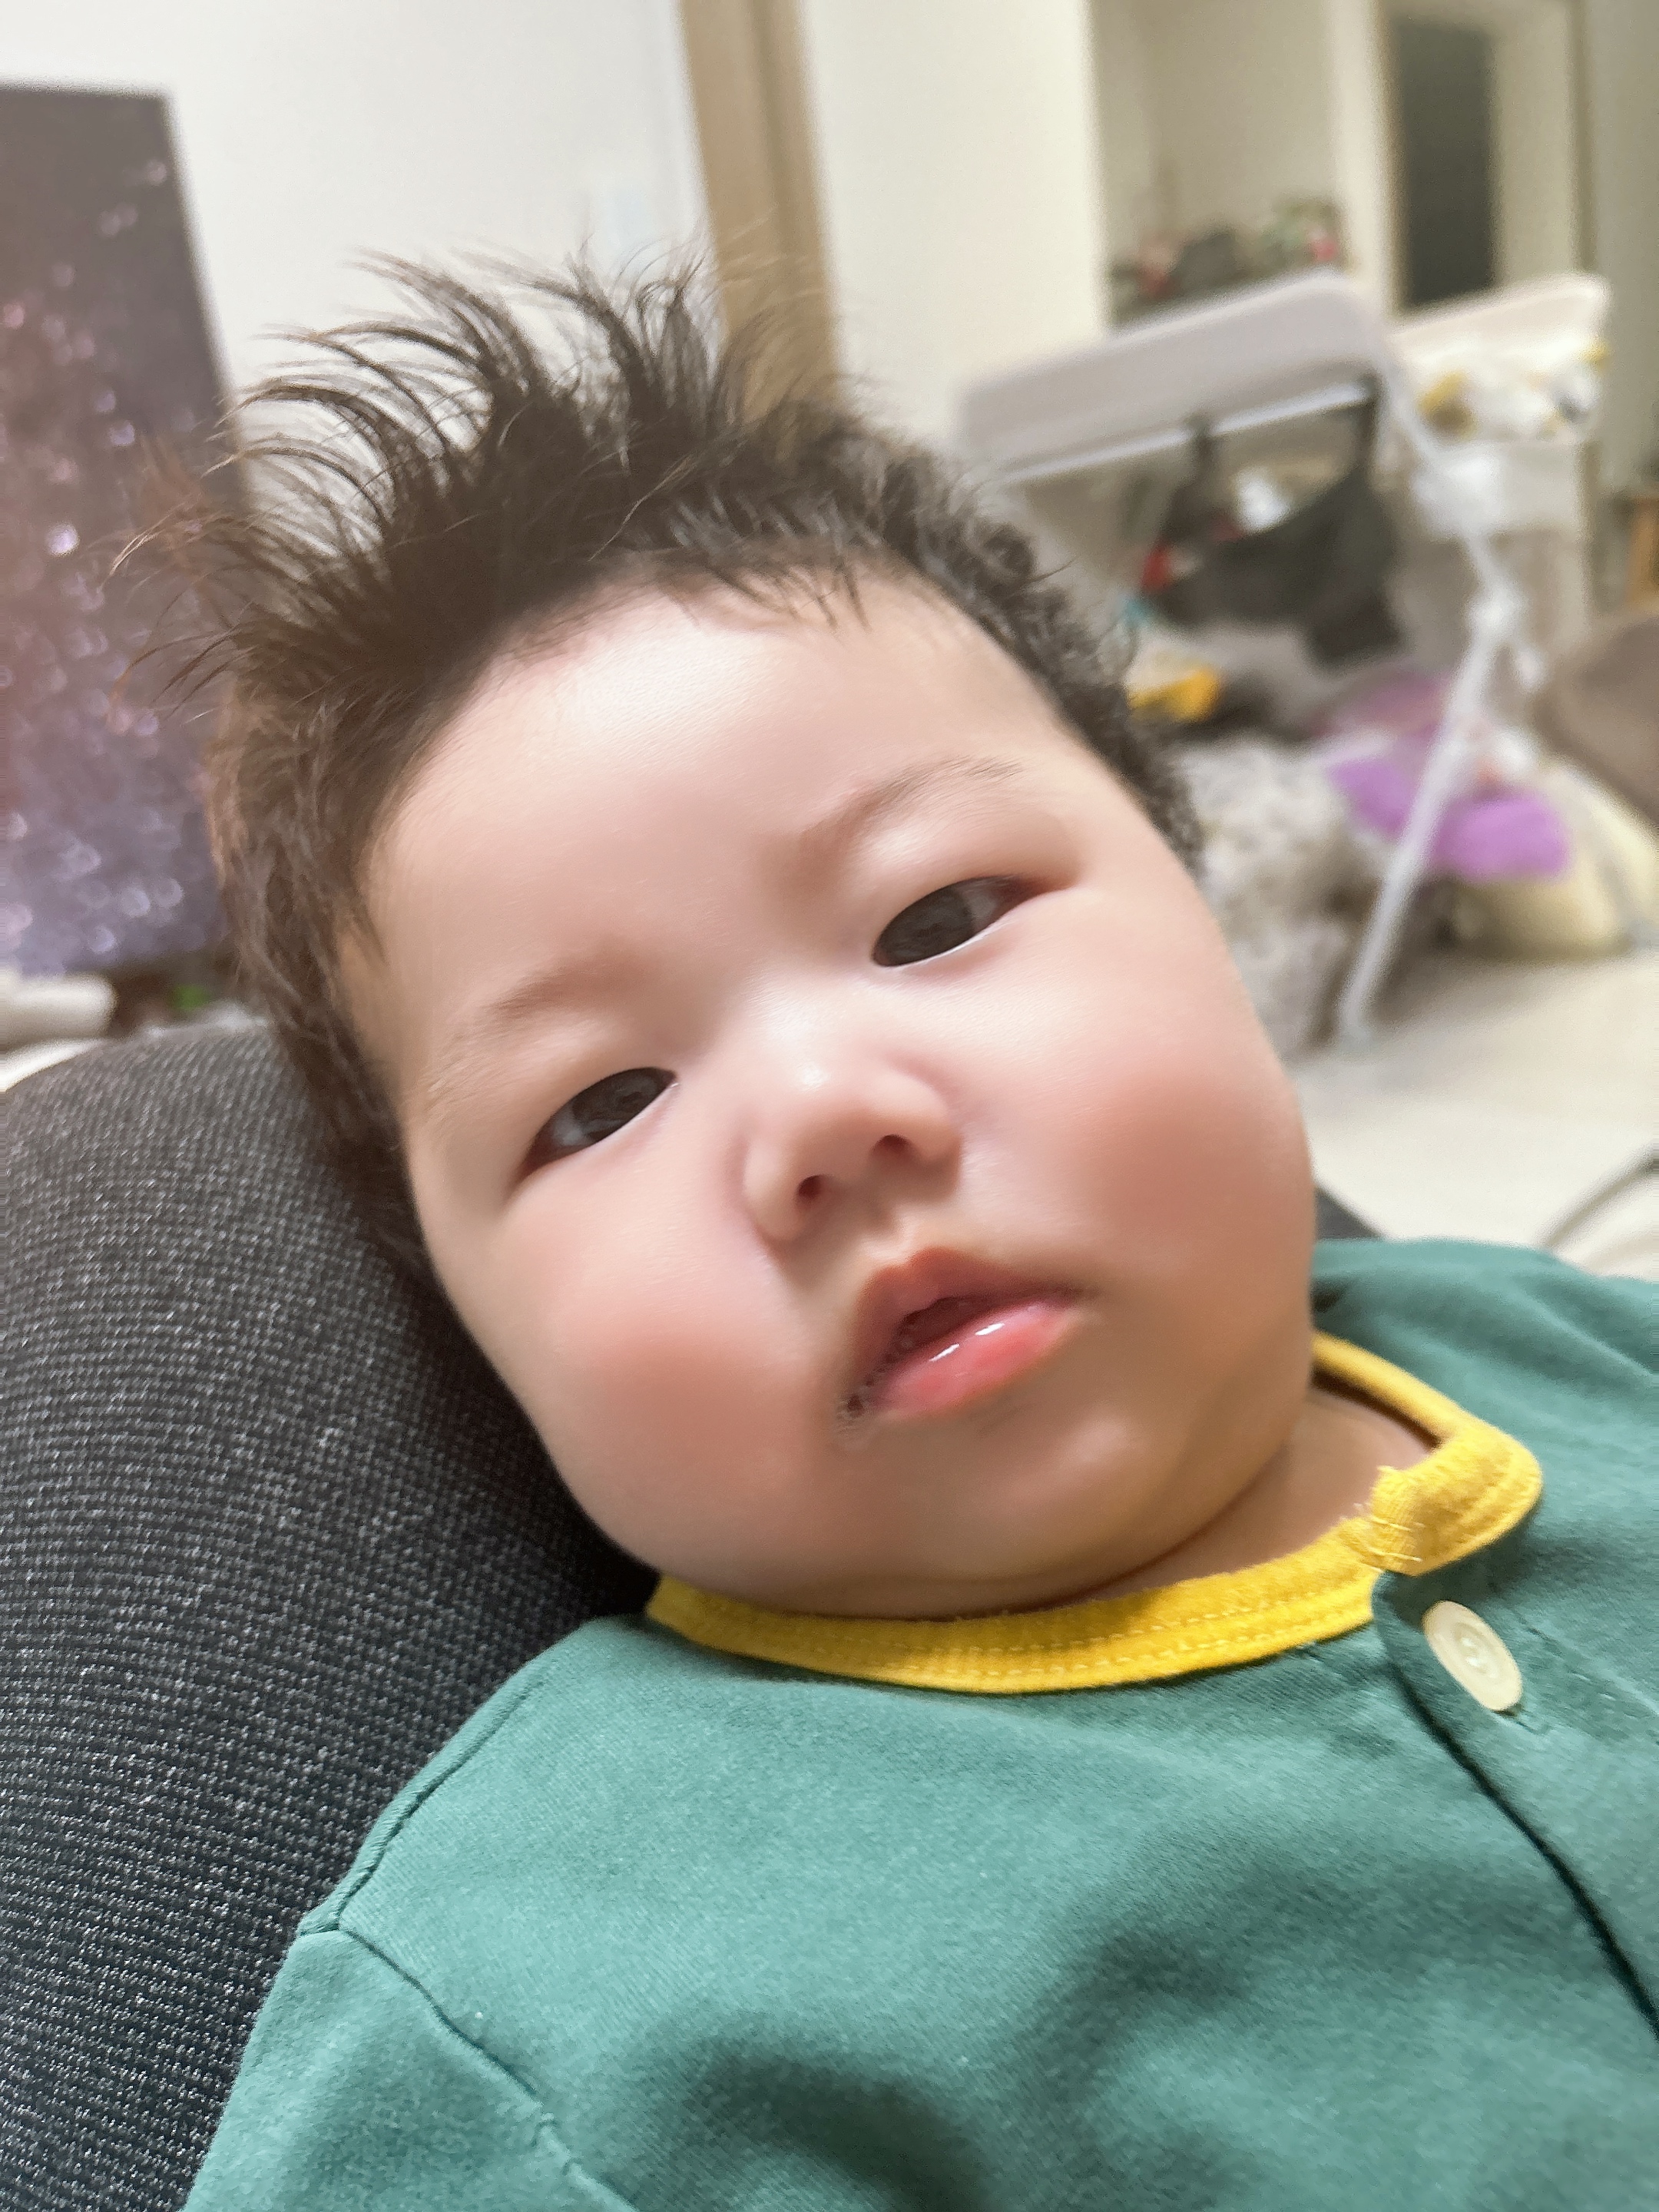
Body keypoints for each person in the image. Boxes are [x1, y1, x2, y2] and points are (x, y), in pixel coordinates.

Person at [178, 267, 1656, 2210]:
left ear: (1205, 907)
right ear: (453, 1307)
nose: (824, 1117)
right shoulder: (548, 2020)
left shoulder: (1568, 1342)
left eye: (938, 917)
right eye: (602, 1103)